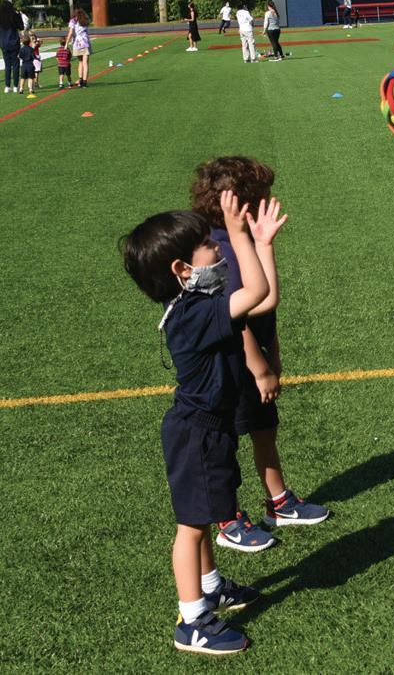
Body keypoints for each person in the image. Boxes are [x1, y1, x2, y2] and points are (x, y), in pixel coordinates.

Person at [120, 190, 286, 655]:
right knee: (191, 526)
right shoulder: (194, 313)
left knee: (208, 510)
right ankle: (192, 621)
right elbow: (254, 292)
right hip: (196, 431)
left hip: (209, 427)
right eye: (210, 245)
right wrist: (238, 232)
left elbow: (263, 299)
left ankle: (210, 587)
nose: (218, 247)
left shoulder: (202, 299)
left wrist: (261, 244)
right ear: (181, 269)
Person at [191, 156, 331, 551]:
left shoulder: (244, 241)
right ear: (239, 205)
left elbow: (268, 308)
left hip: (257, 359)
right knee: (225, 444)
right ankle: (227, 518)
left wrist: (275, 352)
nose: (270, 202)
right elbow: (237, 318)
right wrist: (259, 368)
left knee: (264, 427)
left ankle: (278, 502)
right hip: (231, 366)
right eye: (263, 197)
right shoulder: (217, 251)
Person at [63, 8, 92, 88]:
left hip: (77, 43)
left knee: (80, 62)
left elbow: (70, 33)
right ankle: (85, 82)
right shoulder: (85, 20)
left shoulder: (73, 21)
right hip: (85, 42)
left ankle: (80, 79)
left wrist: (66, 44)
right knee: (85, 63)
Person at [0, 1, 21, 94]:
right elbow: (21, 27)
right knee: (15, 64)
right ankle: (15, 86)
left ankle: (7, 86)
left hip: (3, 43)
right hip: (13, 42)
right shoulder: (14, 15)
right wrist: (18, 15)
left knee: (7, 65)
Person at [20, 29, 39, 97]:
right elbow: (34, 57)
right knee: (31, 78)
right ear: (29, 42)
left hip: (24, 65)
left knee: (23, 78)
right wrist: (37, 58)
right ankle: (30, 89)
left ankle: (21, 89)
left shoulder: (21, 49)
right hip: (30, 65)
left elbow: (20, 56)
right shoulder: (31, 49)